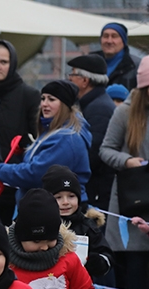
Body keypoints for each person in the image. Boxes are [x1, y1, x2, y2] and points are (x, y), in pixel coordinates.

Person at [99, 56, 149, 289]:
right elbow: (106, 150)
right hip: (135, 197)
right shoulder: (126, 113)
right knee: (136, 264)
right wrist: (128, 161)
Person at [0, 80, 91, 203]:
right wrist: (23, 153)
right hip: (43, 207)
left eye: (51, 99)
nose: (45, 104)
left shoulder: (66, 138)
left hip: (57, 211)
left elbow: (35, 175)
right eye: (43, 98)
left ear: (64, 105)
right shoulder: (53, 130)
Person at [0, 40, 41, 225]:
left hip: (12, 184)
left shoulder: (29, 95)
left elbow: (37, 139)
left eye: (3, 62)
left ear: (12, 63)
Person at [68, 54, 116, 210]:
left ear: (84, 81)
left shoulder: (99, 109)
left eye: (73, 74)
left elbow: (93, 153)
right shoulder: (92, 104)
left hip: (96, 191)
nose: (69, 78)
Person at [91, 23, 137, 90]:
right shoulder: (90, 64)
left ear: (123, 41)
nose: (109, 41)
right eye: (106, 36)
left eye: (114, 36)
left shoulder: (135, 66)